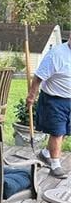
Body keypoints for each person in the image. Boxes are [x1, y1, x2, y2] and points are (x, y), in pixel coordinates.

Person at [26, 33, 71, 178]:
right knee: (57, 132)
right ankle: (55, 165)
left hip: (69, 100)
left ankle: (46, 153)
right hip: (54, 100)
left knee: (63, 131)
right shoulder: (56, 54)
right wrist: (32, 96)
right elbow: (38, 77)